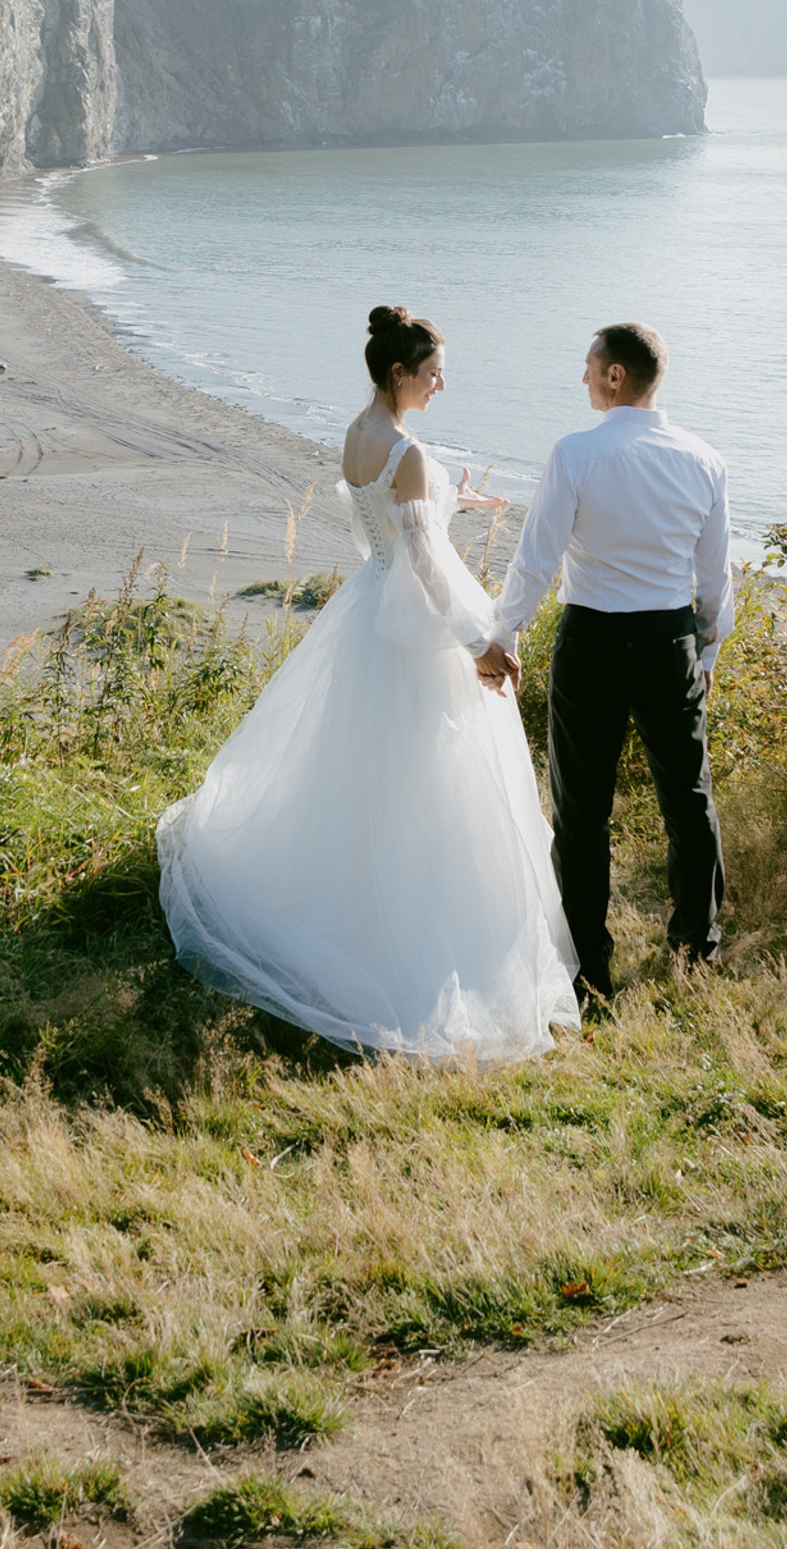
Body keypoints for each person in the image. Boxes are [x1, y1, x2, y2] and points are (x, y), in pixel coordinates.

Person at [157, 306, 582, 1058]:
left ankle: (351, 888)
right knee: (430, 772)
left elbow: (384, 524)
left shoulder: (359, 433)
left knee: (361, 769)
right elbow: (424, 559)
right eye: (433, 374)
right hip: (415, 626)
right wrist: (477, 642)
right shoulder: (408, 451)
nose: (441, 385)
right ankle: (416, 925)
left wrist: (455, 501)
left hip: (368, 607)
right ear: (399, 373)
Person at [475, 322, 733, 1006]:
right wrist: (706, 649)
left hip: (592, 641)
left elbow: (536, 558)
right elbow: (715, 577)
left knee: (582, 811)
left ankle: (589, 970)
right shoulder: (704, 459)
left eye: (589, 367)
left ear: (616, 376)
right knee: (689, 799)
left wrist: (504, 634)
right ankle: (696, 950)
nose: (583, 378)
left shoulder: (576, 454)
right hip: (669, 642)